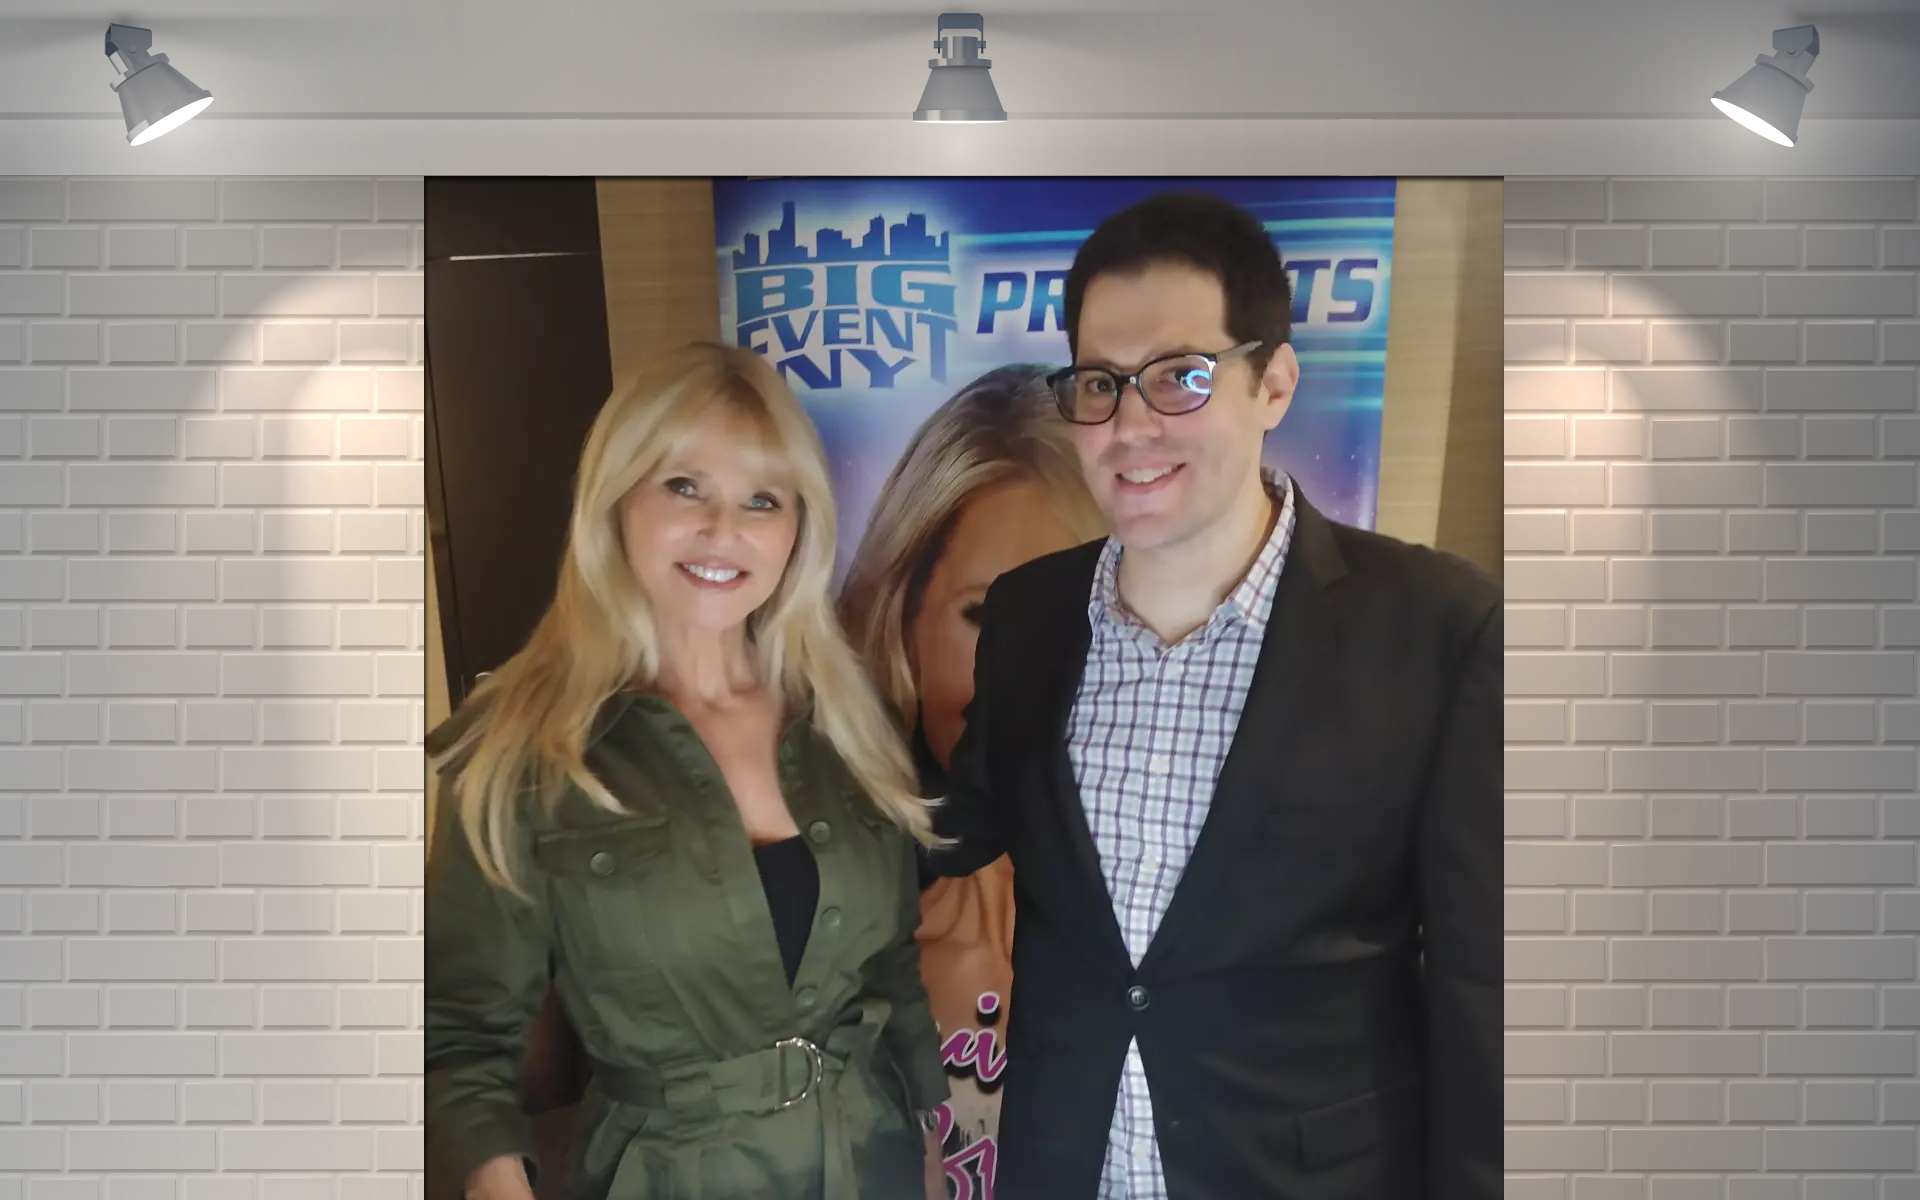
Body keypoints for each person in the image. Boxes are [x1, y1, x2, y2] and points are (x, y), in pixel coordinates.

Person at [928, 191, 1502, 1199]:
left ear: (1272, 383)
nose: (1130, 426)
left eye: (1181, 377)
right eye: (1100, 383)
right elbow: (953, 821)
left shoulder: (1435, 627)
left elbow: (1481, 991)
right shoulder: (1028, 615)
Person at [424, 342, 951, 1200]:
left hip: (871, 1163)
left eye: (762, 499)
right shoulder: (521, 749)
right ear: (616, 500)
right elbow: (459, 1037)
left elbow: (890, 965)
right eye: (683, 486)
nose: (723, 530)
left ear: (798, 527)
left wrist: (927, 1141)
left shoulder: (850, 719)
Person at [837, 365, 1107, 1180]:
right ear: (901, 622)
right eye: (985, 613)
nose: (1023, 669)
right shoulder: (833, 935)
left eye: (1075, 611)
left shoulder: (1188, 937)